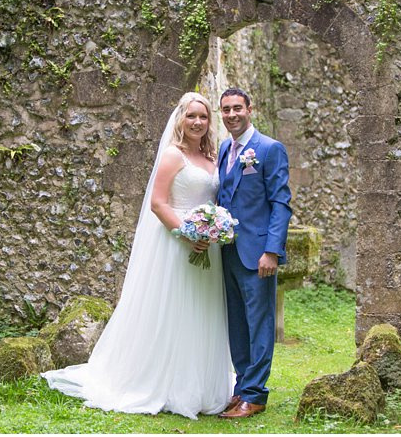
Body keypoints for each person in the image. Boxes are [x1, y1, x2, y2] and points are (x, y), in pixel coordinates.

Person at [41, 92, 233, 419]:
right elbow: (158, 203)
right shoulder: (174, 155)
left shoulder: (211, 156)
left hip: (207, 247)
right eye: (191, 116)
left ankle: (199, 383)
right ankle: (163, 382)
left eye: (203, 116)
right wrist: (187, 234)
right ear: (180, 120)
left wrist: (212, 231)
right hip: (177, 243)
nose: (198, 122)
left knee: (201, 311)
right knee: (173, 311)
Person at [216, 88, 292, 419]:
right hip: (228, 251)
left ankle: (256, 394)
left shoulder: (269, 149)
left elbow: (281, 203)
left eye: (237, 108)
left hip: (258, 253)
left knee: (259, 324)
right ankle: (241, 387)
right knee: (237, 324)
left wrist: (272, 251)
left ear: (250, 109)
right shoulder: (223, 149)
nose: (232, 114)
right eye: (226, 110)